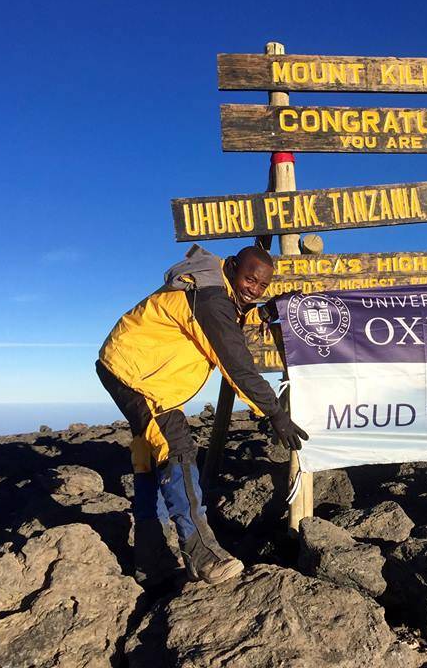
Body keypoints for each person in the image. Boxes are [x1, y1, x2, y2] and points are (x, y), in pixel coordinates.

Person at [96, 244, 308, 587]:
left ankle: (151, 561)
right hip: (133, 375)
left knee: (149, 456)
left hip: (139, 370)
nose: (253, 289)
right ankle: (202, 553)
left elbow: (231, 316)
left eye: (261, 286)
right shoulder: (210, 298)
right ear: (233, 267)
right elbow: (236, 363)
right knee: (175, 447)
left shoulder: (215, 289)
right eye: (249, 280)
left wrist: (264, 312)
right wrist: (274, 413)